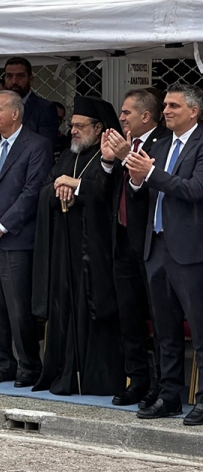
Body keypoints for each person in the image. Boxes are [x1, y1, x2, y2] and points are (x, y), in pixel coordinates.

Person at [32, 96, 124, 396]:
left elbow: (105, 192)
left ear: (98, 128)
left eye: (79, 126)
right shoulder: (67, 156)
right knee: (64, 308)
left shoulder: (109, 156)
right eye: (71, 125)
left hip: (95, 248)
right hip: (65, 246)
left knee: (92, 310)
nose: (72, 131)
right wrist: (57, 190)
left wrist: (75, 187)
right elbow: (46, 187)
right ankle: (63, 373)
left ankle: (94, 379)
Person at [125, 84, 203, 423]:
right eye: (166, 105)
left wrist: (152, 175)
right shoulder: (160, 143)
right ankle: (169, 395)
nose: (166, 110)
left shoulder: (201, 144)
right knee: (165, 330)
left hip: (190, 250)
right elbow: (142, 191)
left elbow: (195, 190)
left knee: (199, 330)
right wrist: (137, 180)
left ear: (194, 111)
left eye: (173, 105)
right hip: (155, 246)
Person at [0, 90, 52, 388]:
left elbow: (32, 192)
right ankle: (4, 363)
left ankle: (29, 366)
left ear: (15, 113)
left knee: (19, 307)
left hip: (16, 238)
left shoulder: (37, 145)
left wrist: (2, 225)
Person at [101, 89, 171, 408]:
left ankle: (161, 384)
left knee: (158, 318)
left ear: (145, 116)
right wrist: (108, 161)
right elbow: (111, 191)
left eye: (127, 112)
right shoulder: (123, 146)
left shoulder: (165, 143)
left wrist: (128, 157)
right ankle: (137, 380)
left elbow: (151, 191)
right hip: (123, 241)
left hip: (152, 243)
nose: (122, 117)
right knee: (128, 317)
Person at [3, 57, 60, 147]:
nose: (14, 81)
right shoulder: (0, 108)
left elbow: (44, 146)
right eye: (9, 76)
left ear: (31, 80)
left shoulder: (44, 108)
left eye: (20, 76)